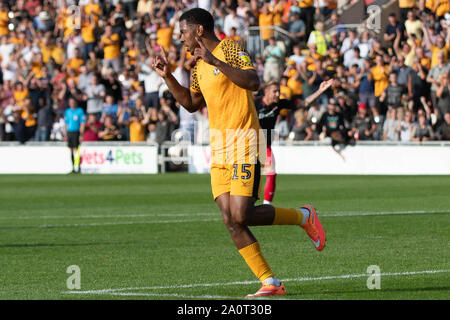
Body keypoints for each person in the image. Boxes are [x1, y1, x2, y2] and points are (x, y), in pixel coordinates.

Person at [151, 8, 325, 298]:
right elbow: (193, 103)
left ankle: (303, 216)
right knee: (230, 220)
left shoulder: (230, 49)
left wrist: (216, 60)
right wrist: (168, 76)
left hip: (246, 140)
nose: (180, 38)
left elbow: (253, 82)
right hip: (219, 146)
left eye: (182, 32)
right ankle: (270, 282)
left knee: (242, 213)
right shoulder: (197, 67)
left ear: (198, 31)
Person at [255, 79, 333, 205]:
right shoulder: (254, 103)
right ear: (266, 92)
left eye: (278, 92)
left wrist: (320, 90)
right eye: (275, 91)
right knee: (250, 177)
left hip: (264, 143)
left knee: (271, 173)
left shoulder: (279, 104)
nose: (277, 94)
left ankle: (266, 205)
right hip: (248, 142)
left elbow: (304, 103)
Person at [64, 97, 85, 172]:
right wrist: (65, 134)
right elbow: (66, 123)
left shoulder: (79, 111)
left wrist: (81, 134)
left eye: (73, 102)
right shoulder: (67, 111)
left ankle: (78, 167)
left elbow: (82, 123)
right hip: (69, 132)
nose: (71, 103)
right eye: (70, 102)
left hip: (76, 132)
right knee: (71, 150)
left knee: (77, 150)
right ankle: (73, 167)